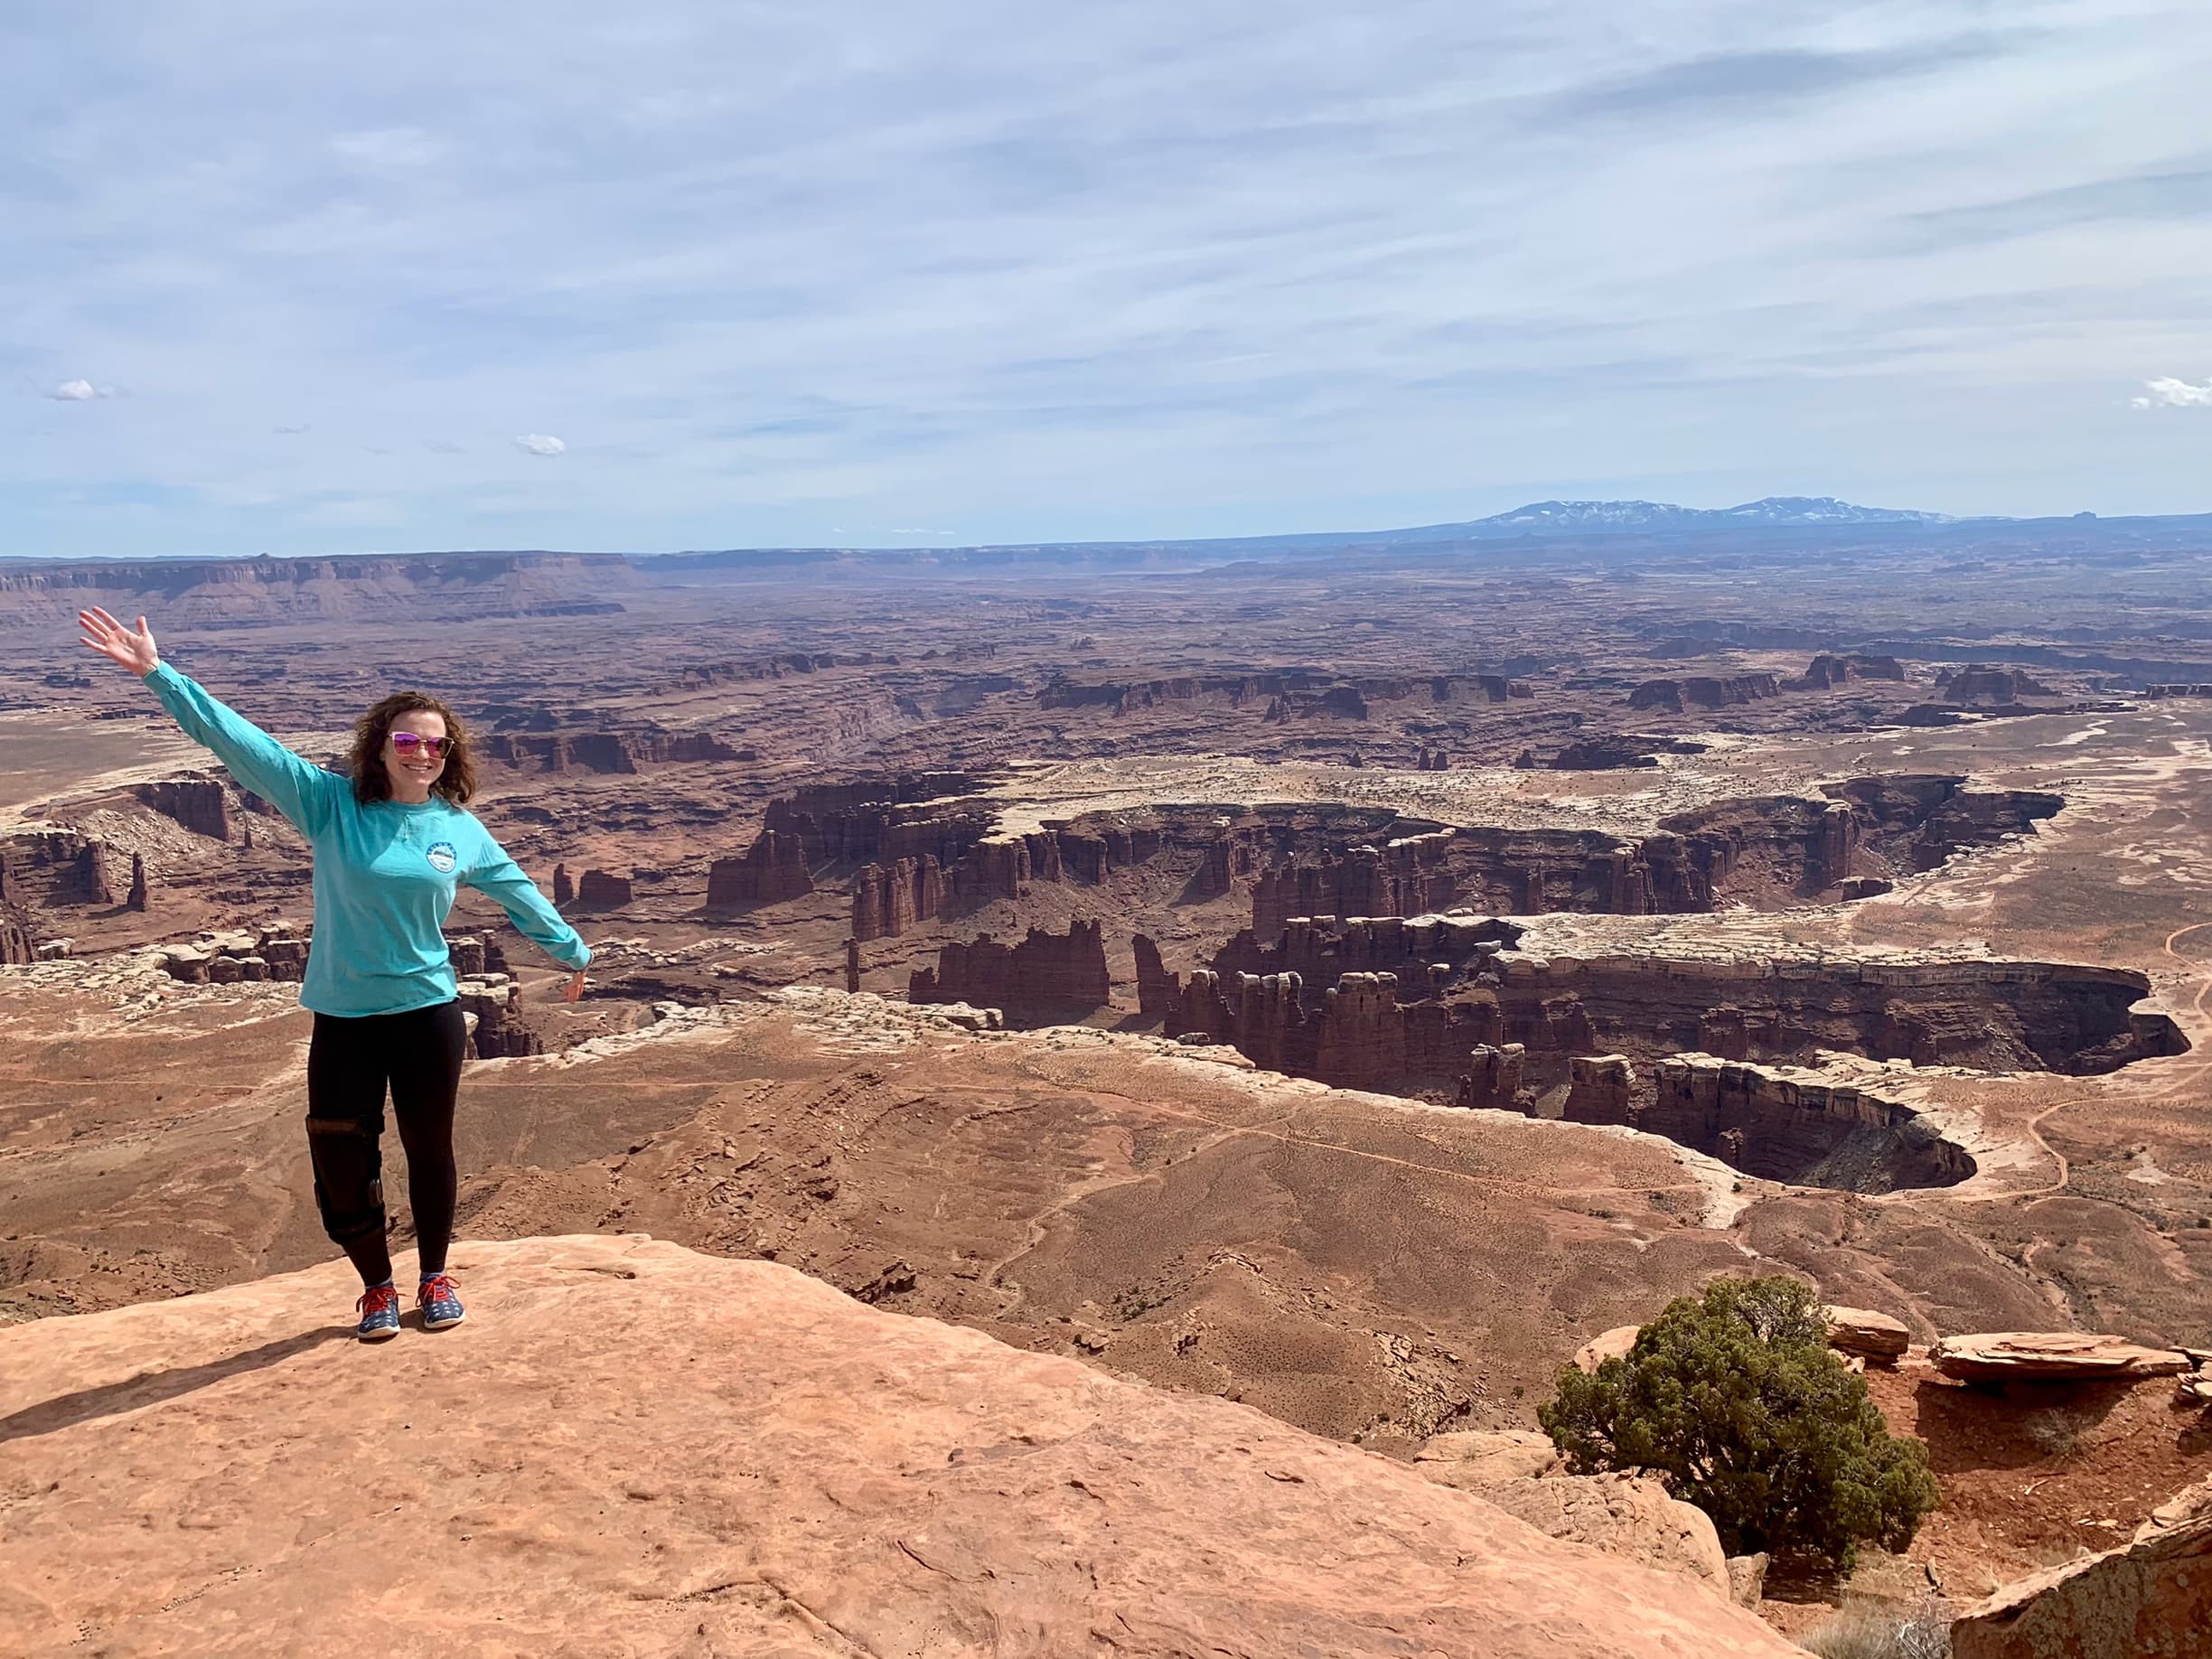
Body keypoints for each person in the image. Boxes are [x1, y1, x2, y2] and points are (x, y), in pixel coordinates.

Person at [77, 605, 590, 1341]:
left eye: (436, 745)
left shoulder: (458, 828)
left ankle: (435, 1275)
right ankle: (376, 1286)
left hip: (426, 1014)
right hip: (345, 1018)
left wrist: (572, 951)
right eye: (407, 740)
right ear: (380, 748)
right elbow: (242, 746)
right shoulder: (330, 805)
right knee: (342, 1158)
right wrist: (160, 675)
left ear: (451, 754)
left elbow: (516, 891)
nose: (422, 754)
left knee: (429, 1150)